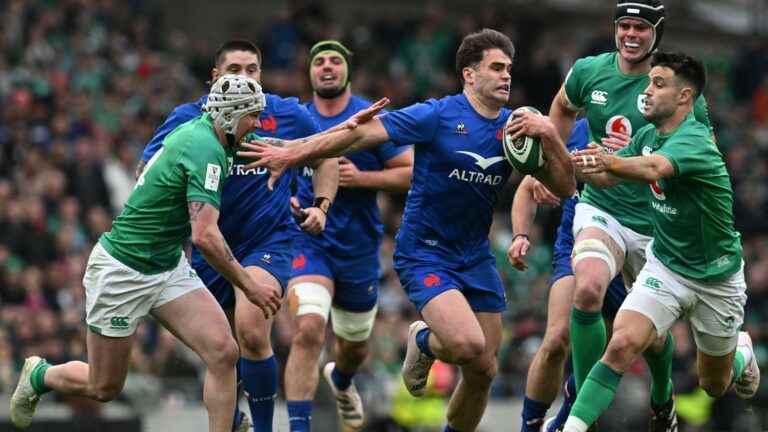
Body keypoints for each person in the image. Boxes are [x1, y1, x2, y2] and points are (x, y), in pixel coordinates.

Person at [239, 28, 576, 432]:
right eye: (496, 68)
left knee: (484, 368)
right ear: (469, 74)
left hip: (475, 255)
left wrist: (550, 137)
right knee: (468, 345)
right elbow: (360, 134)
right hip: (425, 251)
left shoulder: (515, 129)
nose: (506, 76)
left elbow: (564, 187)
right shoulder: (436, 114)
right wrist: (293, 151)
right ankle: (423, 341)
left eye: (509, 68)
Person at [9, 75, 283, 432]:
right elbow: (205, 236)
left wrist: (338, 137)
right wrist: (250, 286)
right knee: (104, 386)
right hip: (122, 271)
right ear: (230, 116)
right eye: (252, 116)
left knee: (223, 352)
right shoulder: (206, 150)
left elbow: (282, 147)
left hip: (166, 265)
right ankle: (40, 375)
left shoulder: (216, 133)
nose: (257, 124)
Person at [137, 40, 339, 432]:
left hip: (269, 241)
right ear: (215, 77)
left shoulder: (287, 113)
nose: (244, 77)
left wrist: (321, 204)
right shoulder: (187, 119)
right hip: (211, 247)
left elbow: (327, 155)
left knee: (251, 327)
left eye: (251, 70)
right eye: (233, 70)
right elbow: (149, 170)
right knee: (220, 351)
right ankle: (231, 421)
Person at [562, 51, 760, 432]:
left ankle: (742, 351)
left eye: (658, 84)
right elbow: (609, 180)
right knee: (620, 344)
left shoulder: (696, 141)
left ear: (684, 97)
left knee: (714, 385)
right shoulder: (647, 135)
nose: (646, 91)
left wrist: (608, 161)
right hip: (666, 267)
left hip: (715, 279)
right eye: (648, 82)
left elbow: (653, 168)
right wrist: (570, 162)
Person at [546, 2, 714, 429]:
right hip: (602, 208)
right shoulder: (589, 71)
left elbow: (699, 155)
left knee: (652, 338)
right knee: (587, 290)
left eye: (641, 27)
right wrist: (556, 163)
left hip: (655, 224)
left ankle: (663, 397)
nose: (631, 34)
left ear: (657, 32)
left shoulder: (676, 91)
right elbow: (563, 109)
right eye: (625, 25)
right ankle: (585, 406)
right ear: (615, 28)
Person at [283, 40, 414, 432]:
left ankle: (341, 380)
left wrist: (363, 178)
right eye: (319, 61)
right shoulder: (297, 118)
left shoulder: (370, 117)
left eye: (335, 61)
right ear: (309, 72)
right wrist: (288, 199)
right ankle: (298, 427)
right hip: (309, 241)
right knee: (308, 330)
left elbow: (410, 172)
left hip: (358, 246)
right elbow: (277, 173)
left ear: (347, 72)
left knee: (354, 347)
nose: (326, 67)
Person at [509, 119, 628, 432]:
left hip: (634, 248)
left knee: (618, 347)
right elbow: (525, 188)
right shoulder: (570, 130)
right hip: (577, 244)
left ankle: (564, 420)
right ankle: (530, 427)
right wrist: (520, 235)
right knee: (557, 338)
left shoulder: (647, 125)